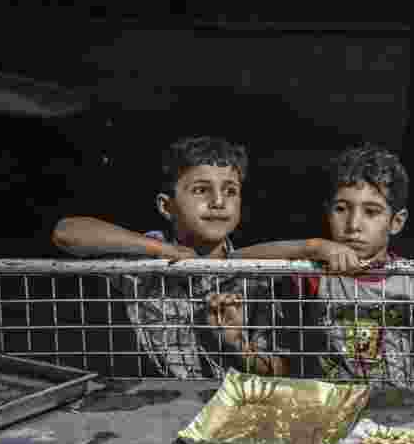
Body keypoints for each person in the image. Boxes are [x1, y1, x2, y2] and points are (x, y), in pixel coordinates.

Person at [233, 143, 414, 387]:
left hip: (395, 413)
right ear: (327, 212)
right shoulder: (314, 273)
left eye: (371, 212)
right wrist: (312, 247)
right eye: (341, 209)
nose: (354, 224)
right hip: (328, 412)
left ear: (396, 222)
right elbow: (235, 260)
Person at [51, 136, 286, 378]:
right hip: (158, 406)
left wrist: (236, 343)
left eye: (230, 191)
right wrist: (162, 251)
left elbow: (279, 370)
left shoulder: (254, 276)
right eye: (201, 190)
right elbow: (66, 233)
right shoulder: (146, 264)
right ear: (166, 206)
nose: (218, 201)